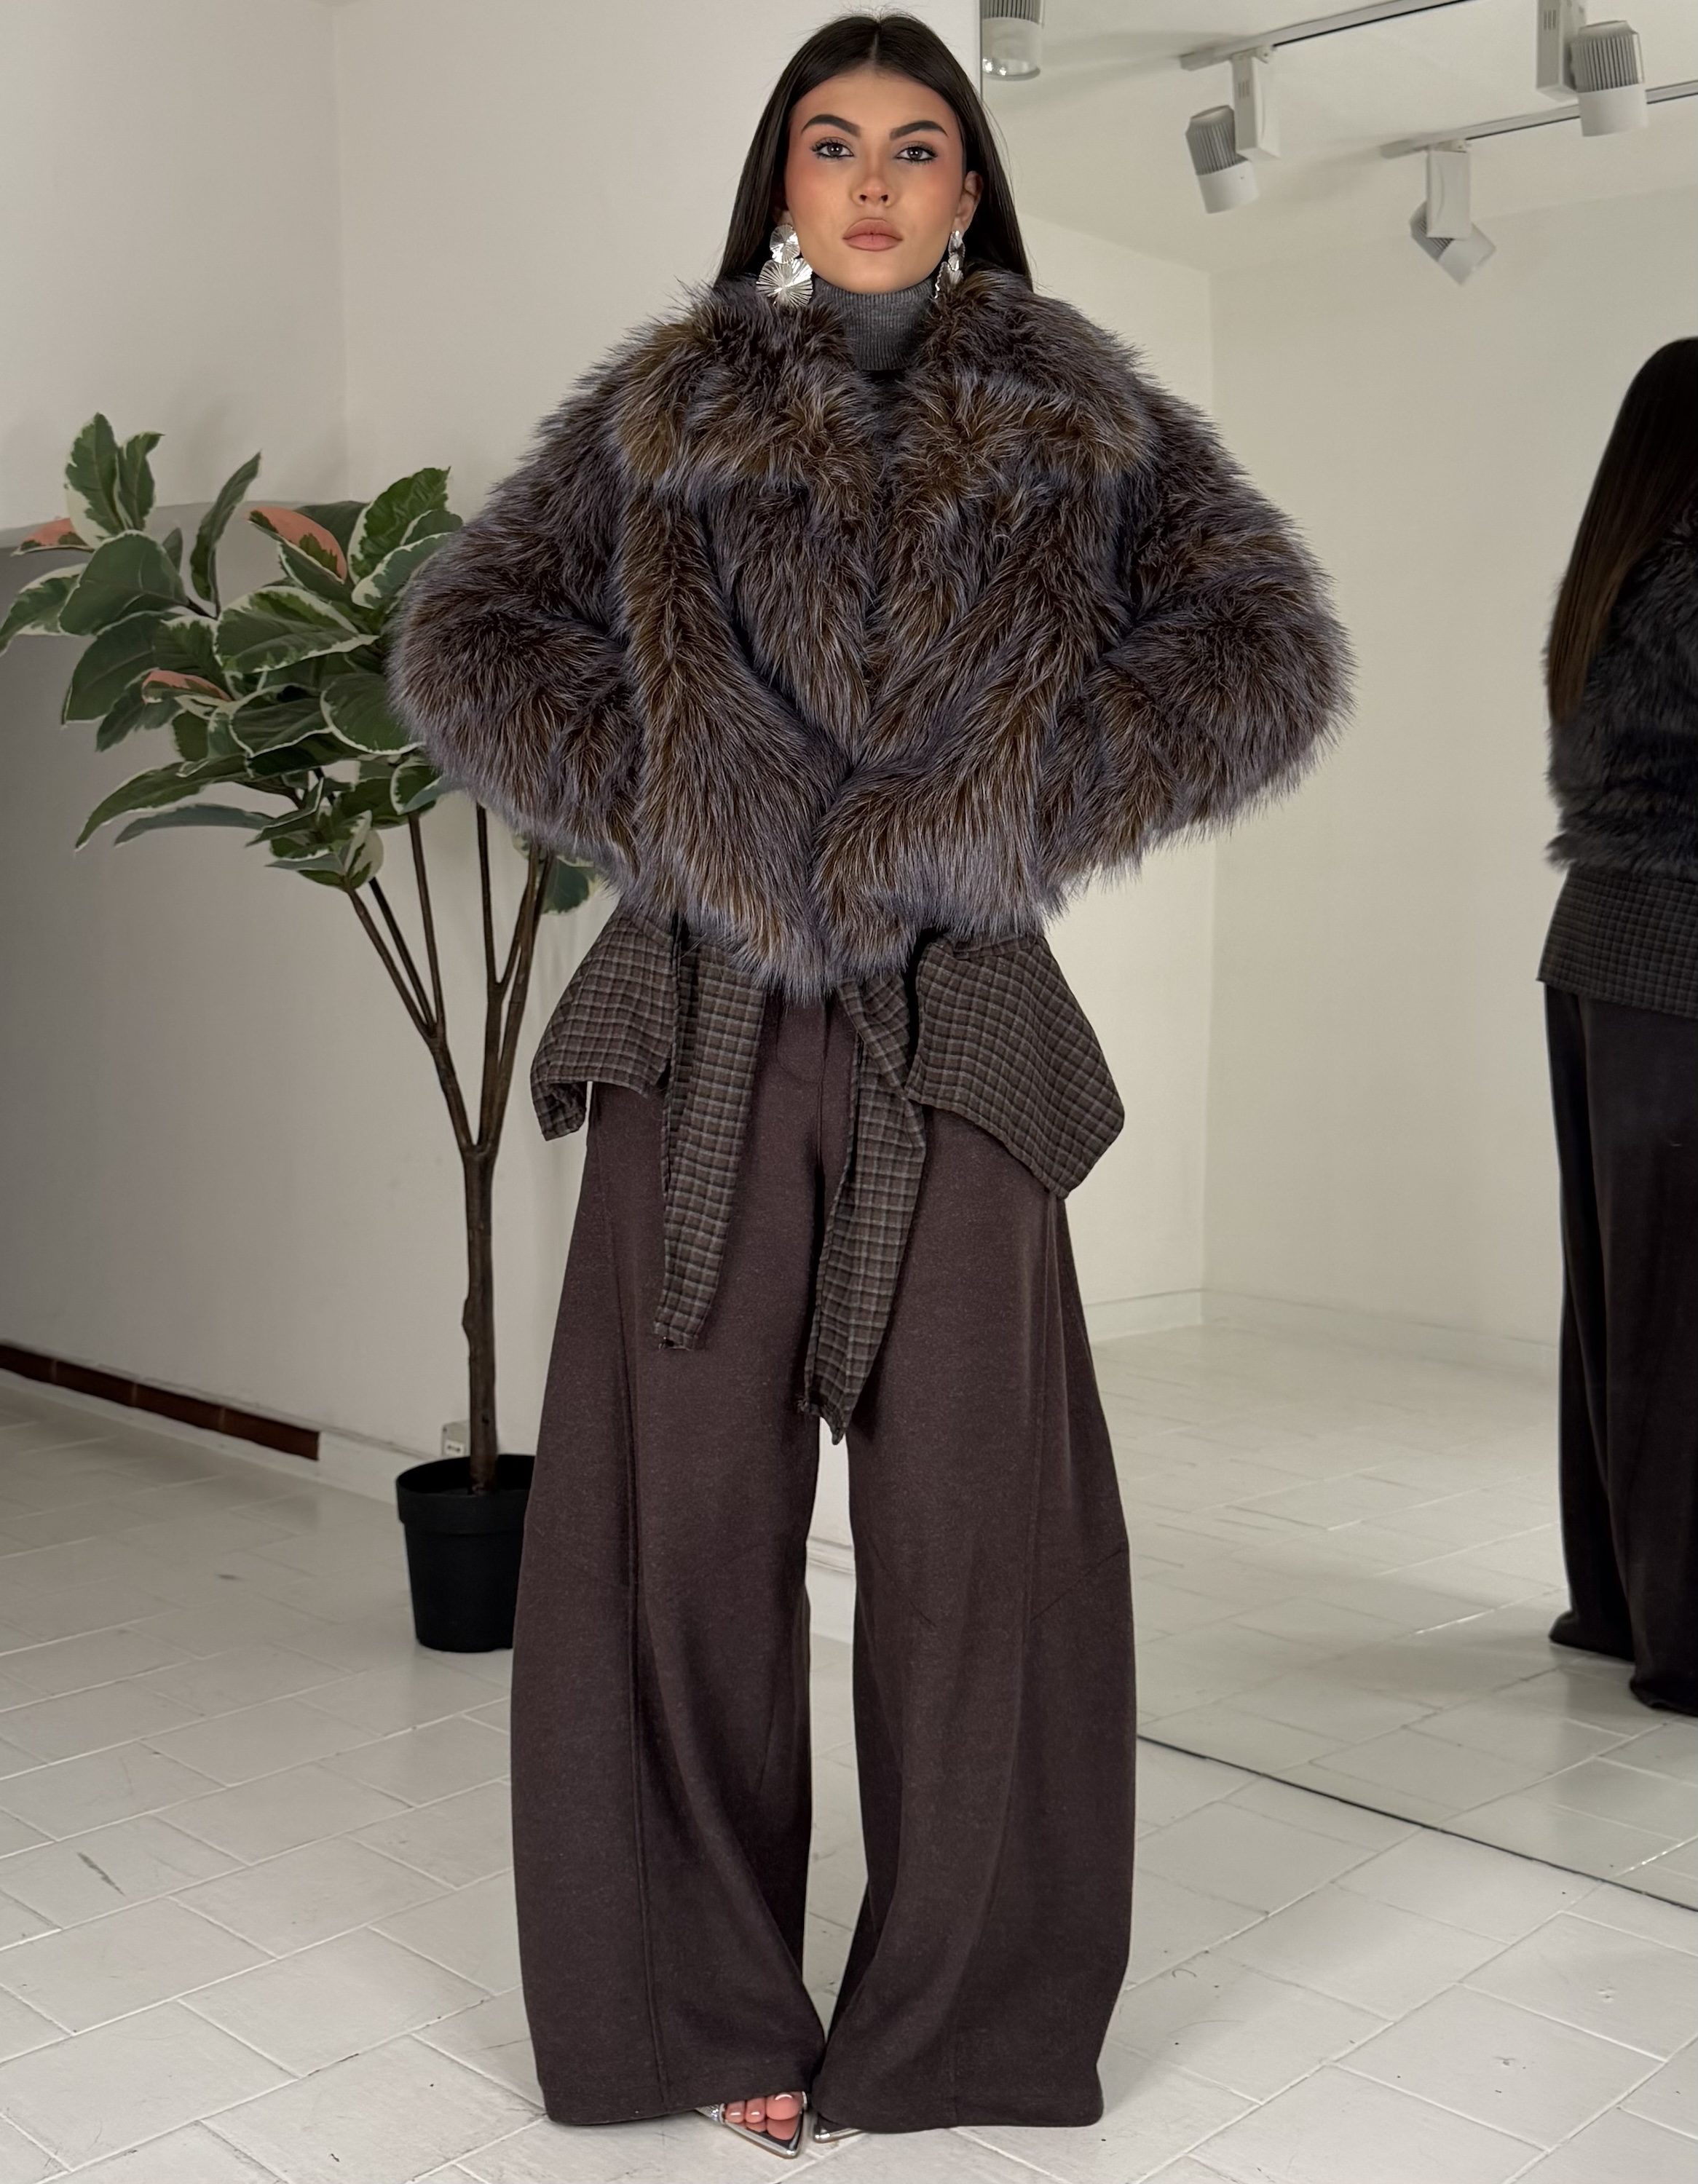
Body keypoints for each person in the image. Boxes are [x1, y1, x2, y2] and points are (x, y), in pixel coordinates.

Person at [391, 11, 1348, 2155]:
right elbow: (474, 641)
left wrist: (994, 817)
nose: (875, 183)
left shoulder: (1089, 425)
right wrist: (694, 812)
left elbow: (1260, 653)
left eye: (917, 147)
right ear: (781, 184)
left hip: (967, 1026)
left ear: (970, 185)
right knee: (676, 1536)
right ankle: (697, 2006)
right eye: (831, 146)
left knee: (977, 1548)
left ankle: (962, 2032)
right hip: (698, 1018)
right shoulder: (660, 412)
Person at [1539, 337, 1698, 1720]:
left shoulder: (1612, 572)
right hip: (1682, 952)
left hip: (1603, 940)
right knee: (1679, 1313)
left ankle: (1616, 1599)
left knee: (1624, 1298)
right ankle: (1686, 1639)